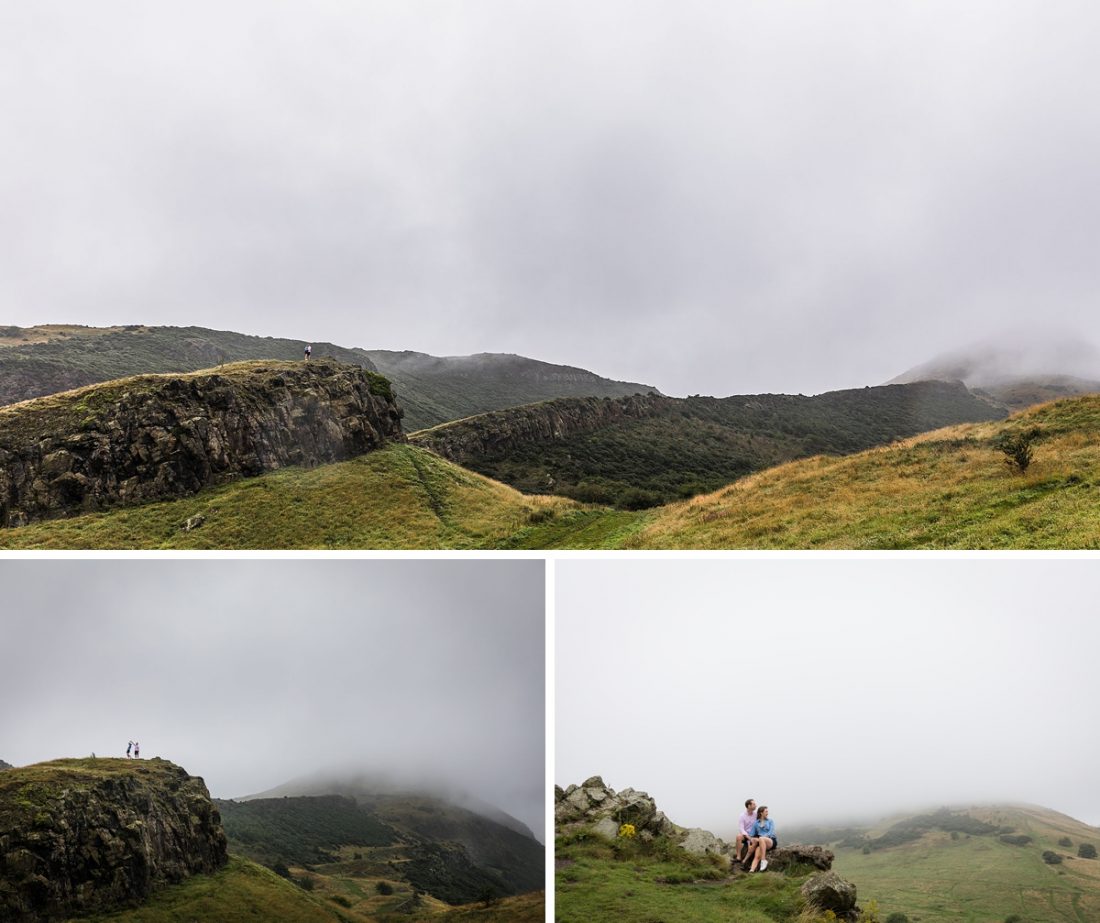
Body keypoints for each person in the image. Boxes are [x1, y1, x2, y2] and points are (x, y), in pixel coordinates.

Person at [748, 805, 777, 872]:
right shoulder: (756, 823)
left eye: (767, 811)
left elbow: (770, 832)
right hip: (761, 842)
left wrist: (762, 838)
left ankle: (763, 860)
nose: (767, 813)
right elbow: (751, 835)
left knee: (761, 838)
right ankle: (751, 871)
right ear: (761, 813)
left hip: (770, 840)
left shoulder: (770, 821)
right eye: (766, 811)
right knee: (756, 856)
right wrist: (751, 843)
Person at [735, 798, 757, 863]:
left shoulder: (756, 814)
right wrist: (748, 837)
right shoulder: (742, 815)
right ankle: (738, 857)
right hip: (746, 835)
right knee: (738, 836)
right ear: (749, 806)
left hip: (754, 834)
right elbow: (741, 828)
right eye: (754, 804)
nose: (756, 805)